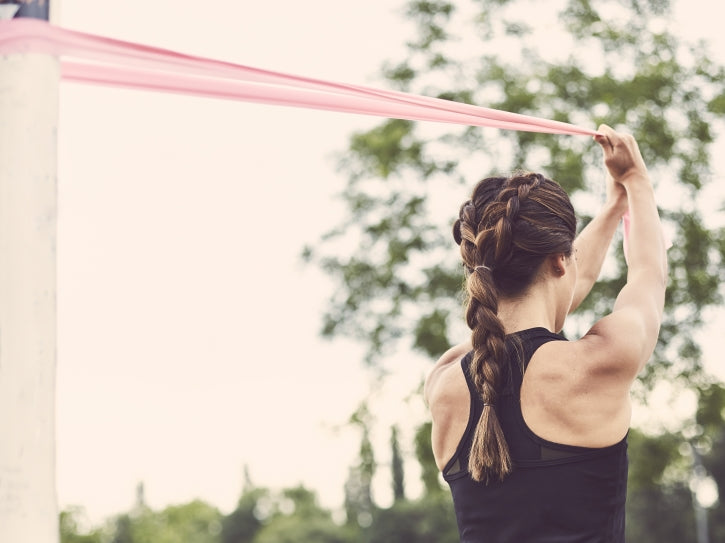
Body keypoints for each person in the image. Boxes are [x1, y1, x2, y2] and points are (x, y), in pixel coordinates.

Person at [424, 125, 668, 542]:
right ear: (559, 260)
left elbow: (565, 286)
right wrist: (635, 181)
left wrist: (613, 208)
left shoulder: (443, 382)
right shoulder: (599, 361)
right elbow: (649, 274)